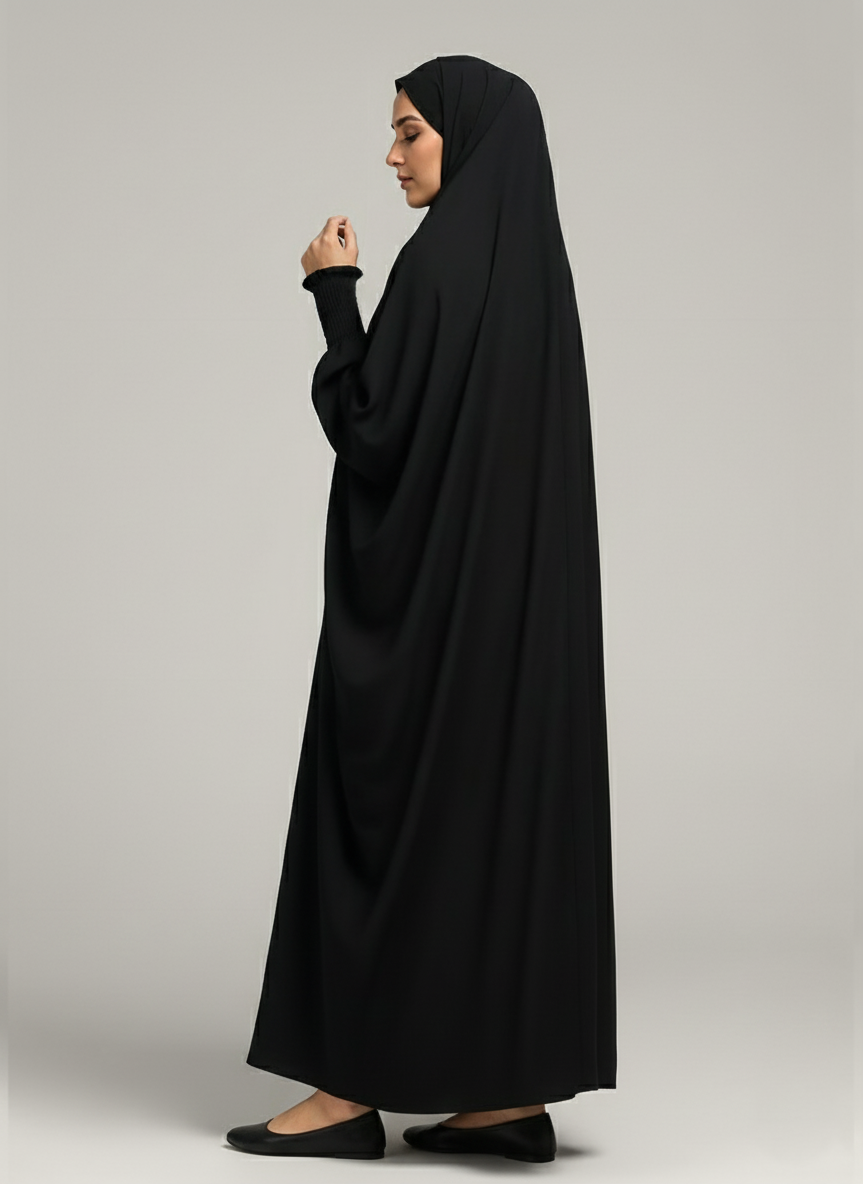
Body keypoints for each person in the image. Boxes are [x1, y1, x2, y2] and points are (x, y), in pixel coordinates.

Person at [226, 54, 616, 1164]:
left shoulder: (437, 263)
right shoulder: (537, 273)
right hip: (517, 629)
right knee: (487, 830)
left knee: (387, 812)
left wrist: (332, 291)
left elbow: (374, 428)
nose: (392, 155)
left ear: (467, 137)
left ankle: (345, 1092)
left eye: (410, 132)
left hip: (435, 616)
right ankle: (501, 1098)